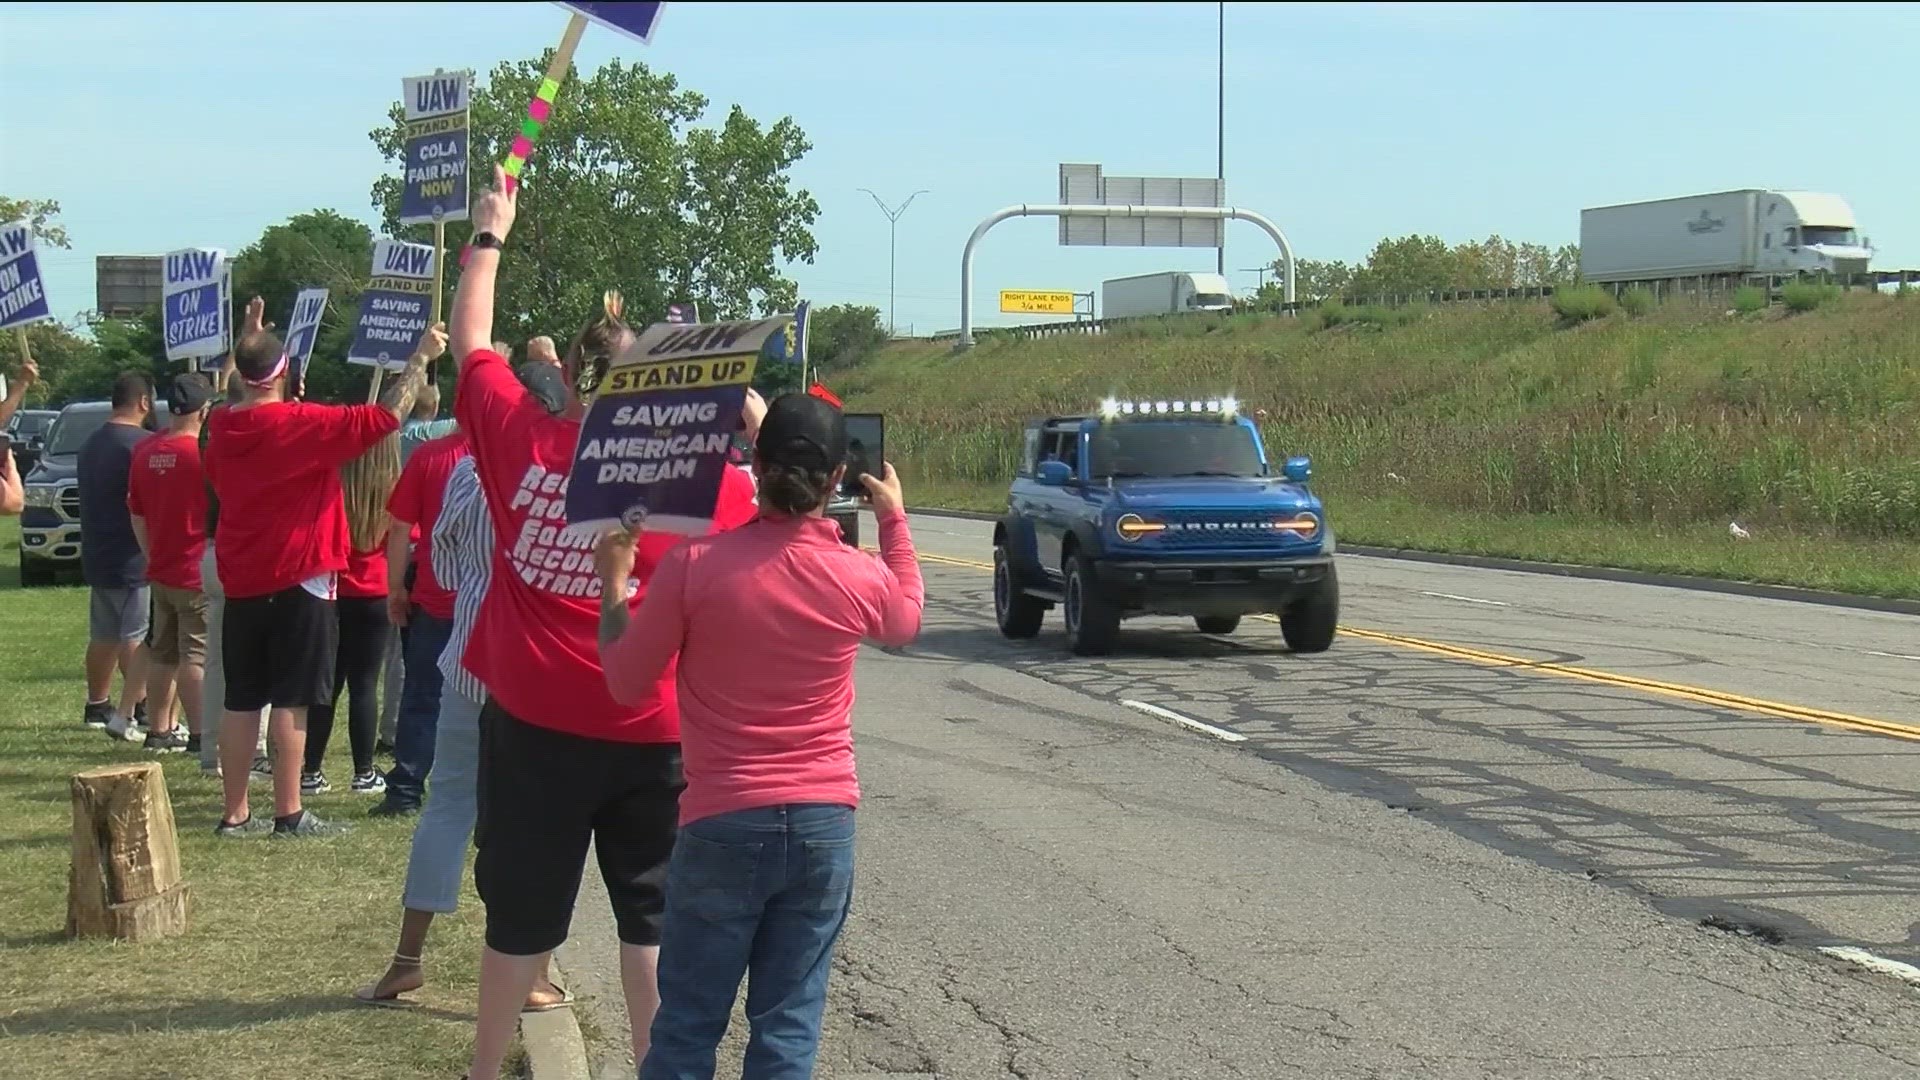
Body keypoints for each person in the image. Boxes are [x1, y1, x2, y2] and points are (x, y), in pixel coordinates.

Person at [448, 165, 763, 1080]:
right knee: (650, 920)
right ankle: (652, 1064)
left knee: (518, 922)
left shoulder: (520, 438)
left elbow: (472, 339)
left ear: (576, 381)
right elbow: (797, 489)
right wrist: (749, 418)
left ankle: (480, 1070)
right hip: (654, 729)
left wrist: (491, 231)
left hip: (534, 727)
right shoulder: (705, 488)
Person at [596, 394, 924, 1079]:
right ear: (838, 479)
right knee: (788, 1027)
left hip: (722, 819)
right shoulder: (856, 574)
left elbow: (627, 682)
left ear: (753, 464)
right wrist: (893, 518)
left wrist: (614, 591)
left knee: (685, 1025)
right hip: (822, 822)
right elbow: (903, 622)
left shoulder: (696, 566)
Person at [354, 361, 570, 1011]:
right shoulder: (561, 480)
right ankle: (530, 972)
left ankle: (406, 957)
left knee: (445, 810)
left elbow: (441, 566)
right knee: (538, 825)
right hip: (535, 674)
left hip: (468, 660)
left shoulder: (466, 477)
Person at [203, 296, 442, 839]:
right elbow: (386, 417)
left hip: (243, 575)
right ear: (285, 373)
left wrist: (249, 338)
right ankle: (289, 811)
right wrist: (420, 359)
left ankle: (235, 813)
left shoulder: (220, 428)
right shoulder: (302, 424)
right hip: (300, 575)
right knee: (293, 697)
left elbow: (240, 388)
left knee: (242, 698)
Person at [372, 427, 471, 816]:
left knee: (422, 696)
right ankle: (484, 789)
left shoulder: (431, 456)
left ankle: (406, 789)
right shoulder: (512, 451)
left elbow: (399, 526)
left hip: (436, 594)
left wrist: (395, 586)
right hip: (489, 601)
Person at [302, 436, 402, 796]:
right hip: (375, 592)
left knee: (326, 684)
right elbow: (408, 537)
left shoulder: (334, 487)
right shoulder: (392, 491)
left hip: (334, 590)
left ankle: (311, 770)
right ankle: (363, 772)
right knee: (364, 685)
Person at [125, 372, 215, 754]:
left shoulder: (146, 451)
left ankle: (159, 730)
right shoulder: (202, 455)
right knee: (196, 655)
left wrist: (151, 554)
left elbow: (136, 513)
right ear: (203, 410)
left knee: (162, 654)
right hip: (194, 568)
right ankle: (200, 733)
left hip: (160, 567)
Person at [78, 371, 155, 739]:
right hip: (132, 553)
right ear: (143, 402)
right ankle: (140, 708)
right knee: (134, 636)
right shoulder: (142, 445)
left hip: (97, 549)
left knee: (104, 634)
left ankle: (97, 703)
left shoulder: (90, 443)